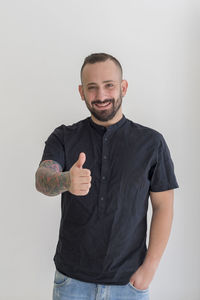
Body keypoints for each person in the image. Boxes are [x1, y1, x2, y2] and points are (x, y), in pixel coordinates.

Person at [35, 52, 179, 300]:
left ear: (123, 87)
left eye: (109, 85)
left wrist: (150, 269)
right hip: (72, 282)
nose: (101, 96)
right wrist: (66, 181)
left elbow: (164, 206)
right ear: (81, 92)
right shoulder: (64, 137)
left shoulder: (151, 143)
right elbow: (42, 179)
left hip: (129, 283)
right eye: (92, 88)